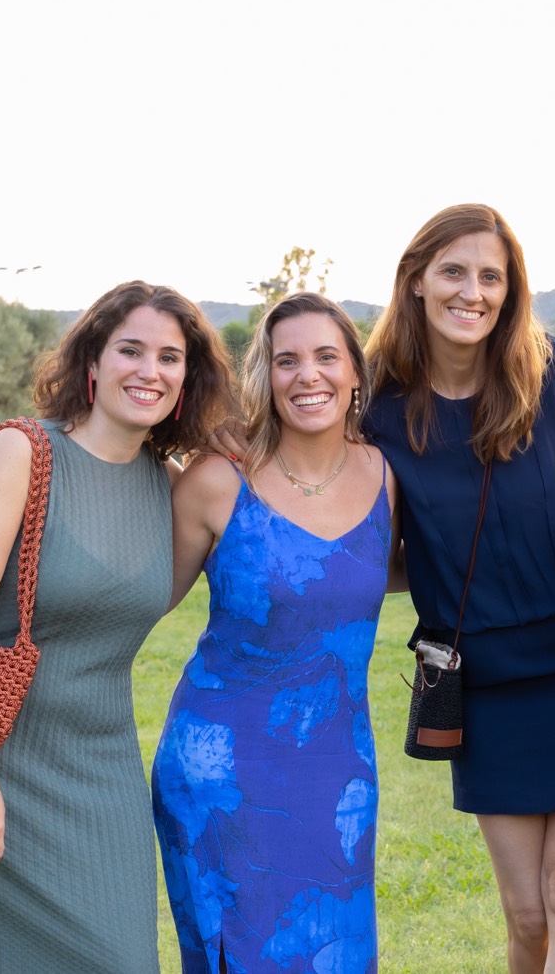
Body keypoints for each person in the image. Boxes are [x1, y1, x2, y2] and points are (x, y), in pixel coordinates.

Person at [0, 280, 235, 972]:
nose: (150, 370)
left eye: (170, 357)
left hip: (100, 768)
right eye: (131, 349)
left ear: (187, 379)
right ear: (93, 361)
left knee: (121, 958)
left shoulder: (165, 483)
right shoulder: (23, 452)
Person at [362, 203, 555, 973]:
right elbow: (379, 552)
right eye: (454, 271)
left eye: (490, 276)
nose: (472, 291)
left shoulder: (549, 367)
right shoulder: (376, 410)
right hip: (481, 683)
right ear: (415, 281)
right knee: (527, 914)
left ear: (510, 290)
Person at [150, 293, 397, 972]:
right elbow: (139, 600)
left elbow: (365, 574)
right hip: (220, 779)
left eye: (325, 356)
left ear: (354, 374)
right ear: (265, 375)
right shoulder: (215, 481)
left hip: (338, 778)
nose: (306, 375)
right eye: (286, 360)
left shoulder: (385, 477)